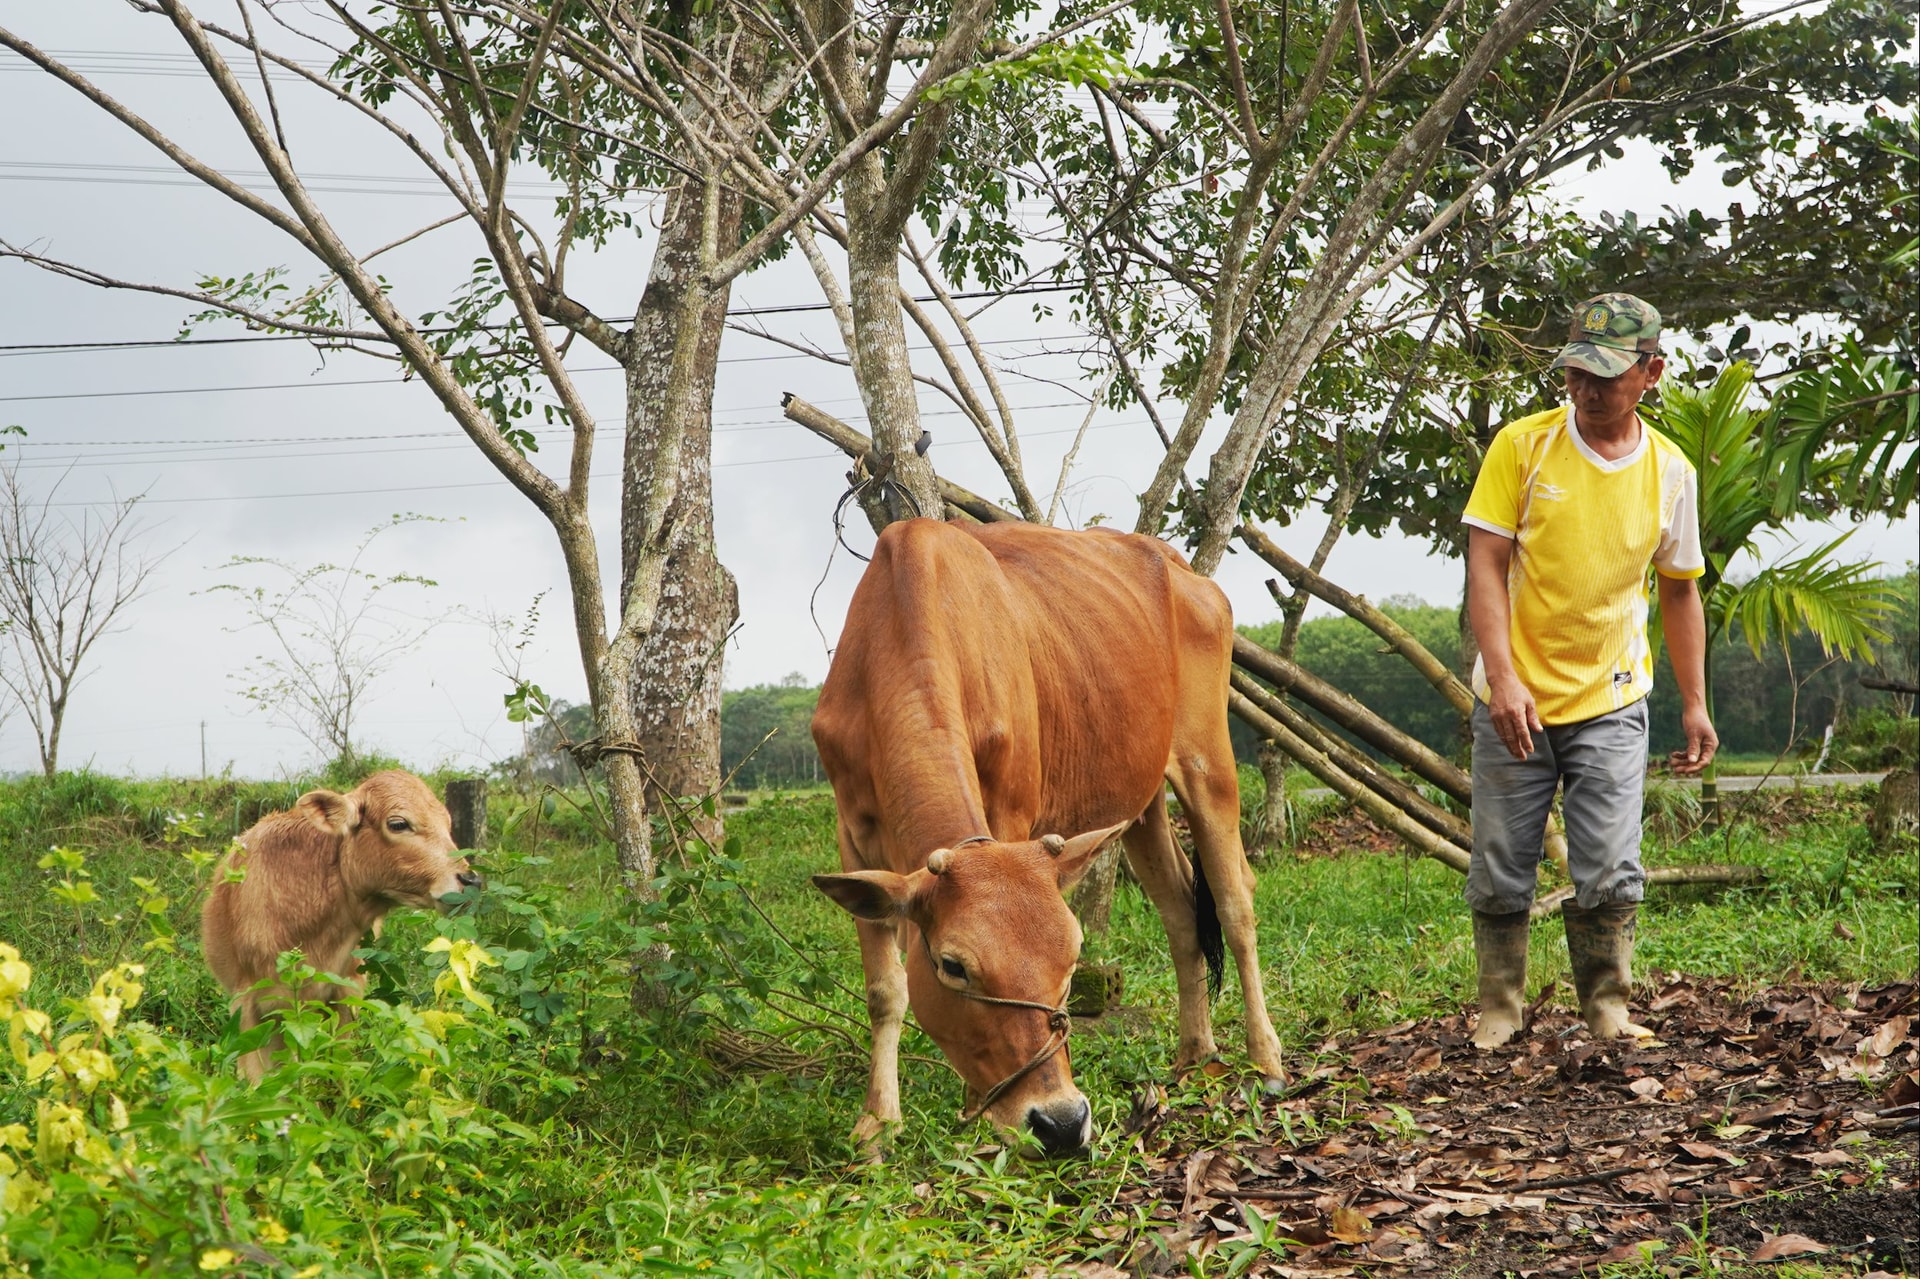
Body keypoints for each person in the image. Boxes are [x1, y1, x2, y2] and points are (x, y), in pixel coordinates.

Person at [1461, 292, 1718, 1048]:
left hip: (1611, 697)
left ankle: (1608, 1006)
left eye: (1607, 374)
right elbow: (1485, 561)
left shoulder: (1670, 471)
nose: (1588, 388)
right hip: (1517, 697)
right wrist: (1502, 679)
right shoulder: (1523, 445)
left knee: (1609, 861)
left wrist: (1695, 703)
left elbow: (1680, 588)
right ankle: (1500, 1009)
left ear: (1652, 371)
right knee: (1503, 857)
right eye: (1577, 371)